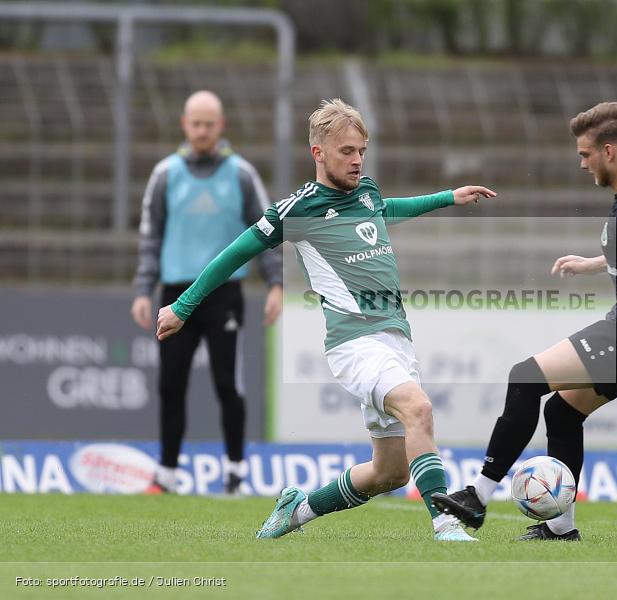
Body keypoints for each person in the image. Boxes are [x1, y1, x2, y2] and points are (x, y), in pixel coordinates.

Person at [156, 98, 496, 541]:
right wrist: (183, 306)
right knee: (419, 408)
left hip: (395, 340)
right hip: (355, 343)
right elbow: (235, 253)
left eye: (361, 152)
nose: (357, 161)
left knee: (388, 473)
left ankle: (298, 510)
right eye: (346, 152)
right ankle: (446, 523)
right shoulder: (296, 210)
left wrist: (448, 197)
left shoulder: (367, 191)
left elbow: (387, 209)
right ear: (318, 153)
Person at [432, 101, 617, 541]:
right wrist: (594, 263)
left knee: (525, 378)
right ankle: (560, 528)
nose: (581, 163)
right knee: (561, 413)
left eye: (585, 154)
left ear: (609, 151)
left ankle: (477, 497)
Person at [131, 90, 284, 495]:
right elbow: (151, 236)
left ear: (221, 126)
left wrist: (275, 283)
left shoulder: (241, 174)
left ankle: (234, 472)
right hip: (175, 292)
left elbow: (267, 230)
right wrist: (144, 289)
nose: (201, 130)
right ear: (184, 125)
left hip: (224, 294)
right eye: (195, 123)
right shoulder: (165, 173)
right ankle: (165, 473)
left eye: (208, 123)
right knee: (171, 383)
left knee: (227, 384)